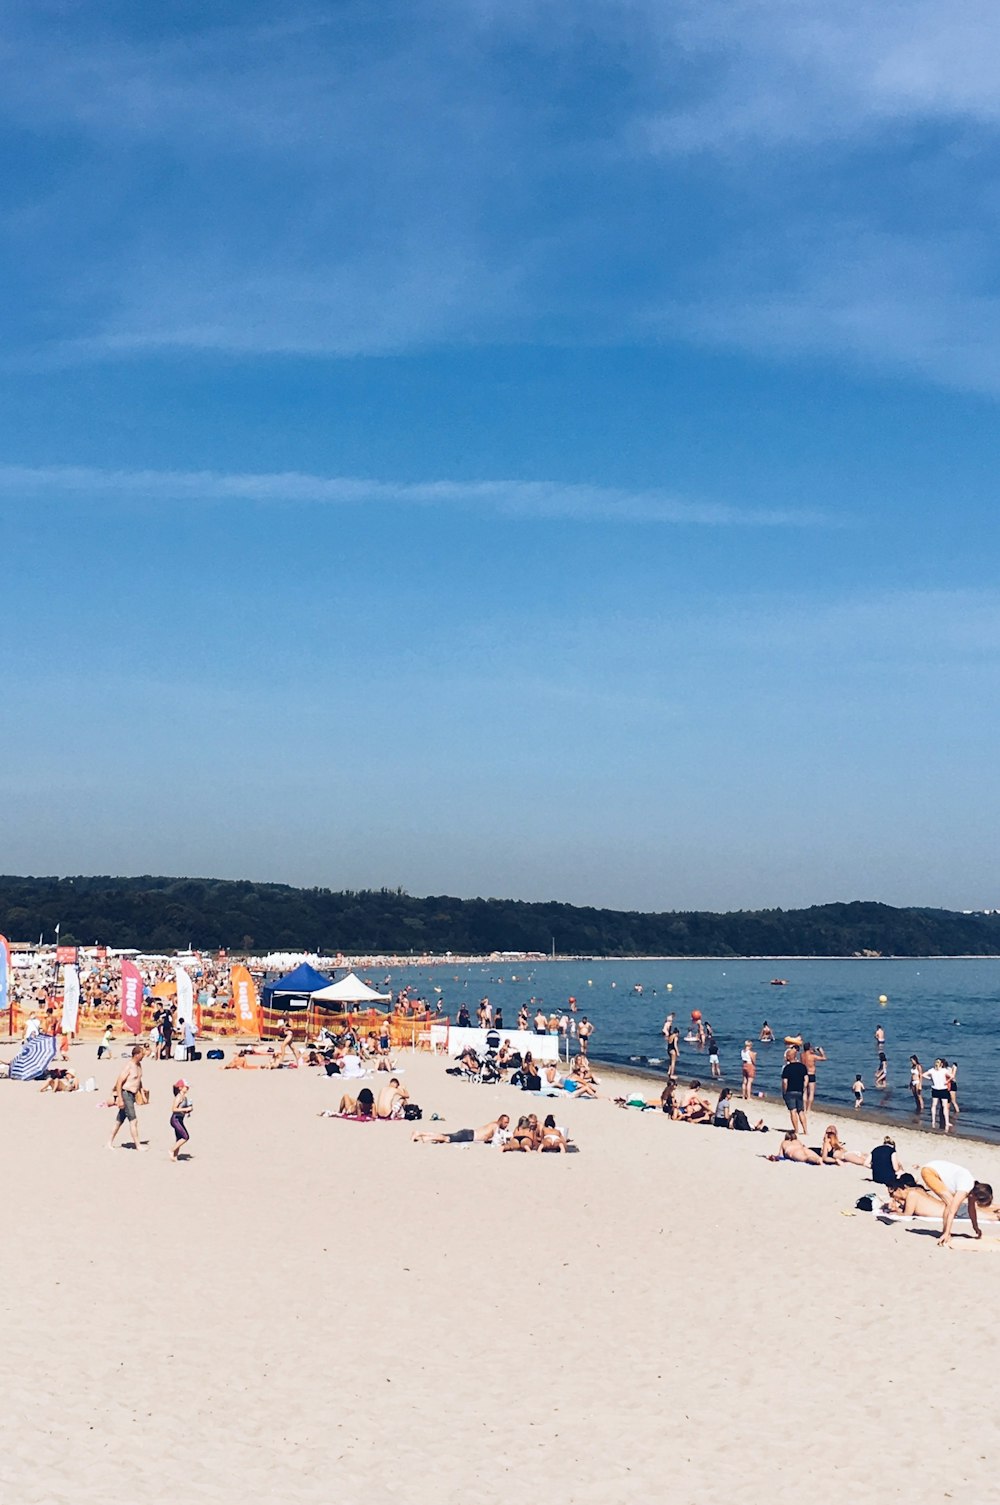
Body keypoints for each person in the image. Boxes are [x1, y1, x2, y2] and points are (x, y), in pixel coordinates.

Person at [919, 1161, 998, 1246]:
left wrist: (975, 1227)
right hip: (929, 1172)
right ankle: (945, 1233)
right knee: (950, 1204)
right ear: (974, 1195)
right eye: (976, 1200)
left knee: (950, 1203)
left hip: (933, 1169)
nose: (975, 1202)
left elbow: (971, 1209)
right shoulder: (965, 1188)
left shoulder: (973, 1189)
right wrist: (947, 1232)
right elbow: (952, 1211)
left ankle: (946, 1232)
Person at [108, 1045, 146, 1151]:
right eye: (142, 1054)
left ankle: (109, 1142)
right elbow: (119, 1082)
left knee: (119, 1120)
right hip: (126, 1094)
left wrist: (142, 1094)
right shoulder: (129, 1066)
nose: (144, 1056)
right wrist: (120, 1098)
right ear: (137, 1054)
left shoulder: (139, 1065)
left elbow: (139, 1080)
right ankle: (138, 1145)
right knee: (133, 1120)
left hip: (133, 1095)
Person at [413, 1114, 511, 1145]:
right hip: (469, 1135)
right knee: (446, 1138)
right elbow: (495, 1140)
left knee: (446, 1135)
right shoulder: (495, 1127)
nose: (507, 1125)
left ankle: (421, 1133)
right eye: (506, 1122)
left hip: (469, 1134)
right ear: (501, 1120)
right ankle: (426, 1137)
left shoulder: (493, 1124)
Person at [781, 1048, 808, 1134]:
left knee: (793, 1110)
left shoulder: (787, 1068)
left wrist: (784, 1091)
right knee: (801, 1111)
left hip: (790, 1091)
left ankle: (796, 1130)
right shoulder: (802, 1066)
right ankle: (805, 1130)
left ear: (789, 1057)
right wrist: (804, 1088)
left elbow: (785, 1082)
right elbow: (806, 1079)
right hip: (799, 1091)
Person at [923, 1059, 951, 1131]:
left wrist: (930, 1079)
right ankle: (942, 1121)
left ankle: (936, 1121)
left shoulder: (937, 1070)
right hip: (939, 1089)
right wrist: (947, 1081)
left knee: (937, 1105)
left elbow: (923, 1075)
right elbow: (952, 1076)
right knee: (940, 1106)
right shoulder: (938, 1070)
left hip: (939, 1089)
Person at [169, 1078, 194, 1161]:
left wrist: (187, 1111)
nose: (187, 1088)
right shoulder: (178, 1097)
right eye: (186, 1087)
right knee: (185, 1137)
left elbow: (181, 1109)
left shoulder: (184, 1097)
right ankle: (171, 1150)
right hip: (175, 1119)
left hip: (180, 1119)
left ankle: (175, 1157)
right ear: (180, 1087)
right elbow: (173, 1109)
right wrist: (184, 1110)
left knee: (179, 1138)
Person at [801, 1042, 826, 1112]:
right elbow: (824, 1058)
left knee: (805, 1092)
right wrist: (820, 1051)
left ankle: (804, 1108)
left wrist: (812, 1050)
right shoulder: (813, 1056)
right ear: (809, 1048)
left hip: (804, 1074)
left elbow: (807, 1052)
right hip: (811, 1074)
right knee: (811, 1092)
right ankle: (808, 1109)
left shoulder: (802, 1055)